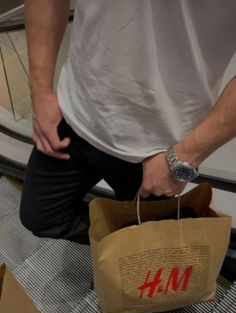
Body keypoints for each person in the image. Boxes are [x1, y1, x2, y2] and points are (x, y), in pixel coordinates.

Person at [20, 0, 236, 242]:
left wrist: (185, 155)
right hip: (73, 113)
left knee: (148, 247)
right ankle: (127, 250)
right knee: (40, 217)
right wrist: (39, 91)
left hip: (158, 150)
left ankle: (136, 257)